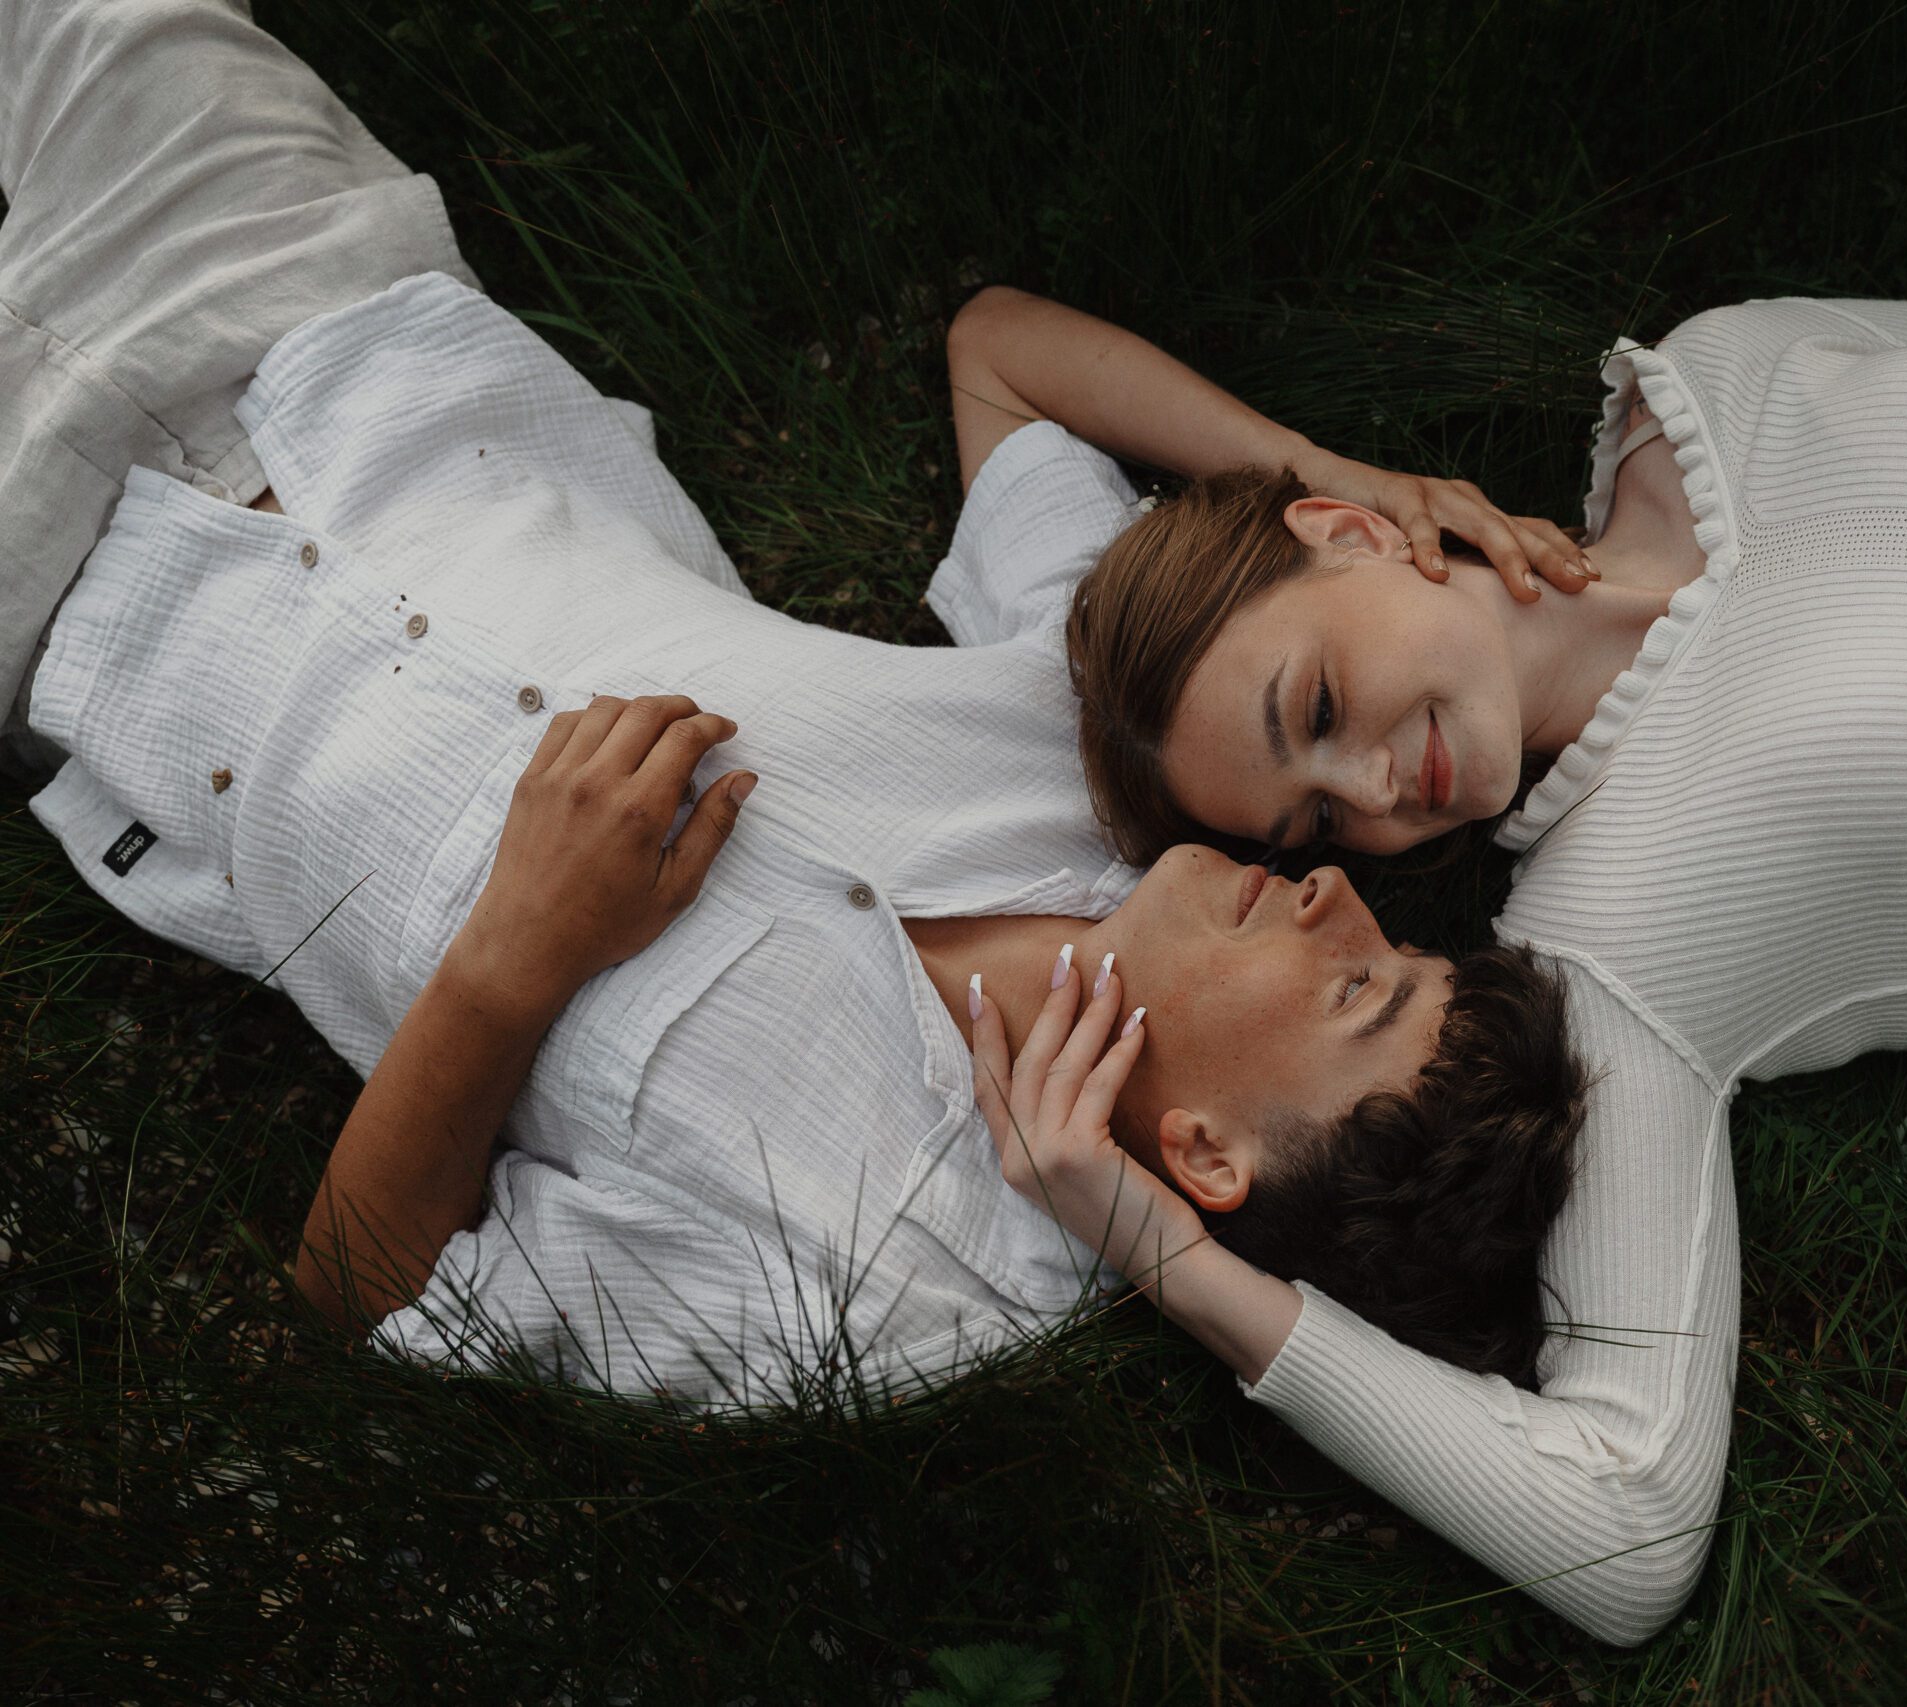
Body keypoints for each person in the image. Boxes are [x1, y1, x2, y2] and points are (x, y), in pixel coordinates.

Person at [1, 1, 1591, 1431]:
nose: (1338, 895)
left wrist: (518, 958)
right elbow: (1004, 362)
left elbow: (357, 1298)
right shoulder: (1142, 771)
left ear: (1210, 1160)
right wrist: (1330, 478)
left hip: (72, 607)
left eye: (1361, 992)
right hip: (318, 315)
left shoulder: (877, 1282)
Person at [929, 281, 1907, 1643]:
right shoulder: (1612, 941)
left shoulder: (1714, 375)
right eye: (1313, 822)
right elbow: (1624, 1530)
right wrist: (1157, 1247)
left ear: (1354, 530)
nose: (1374, 801)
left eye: (1320, 711)